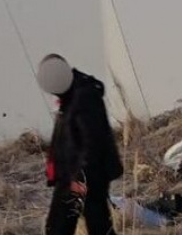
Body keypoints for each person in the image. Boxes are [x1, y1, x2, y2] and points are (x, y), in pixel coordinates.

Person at [38, 54, 123, 235]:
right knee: (98, 225)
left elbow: (92, 142)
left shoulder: (84, 97)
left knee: (60, 227)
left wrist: (79, 180)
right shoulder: (71, 95)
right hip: (76, 175)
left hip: (81, 177)